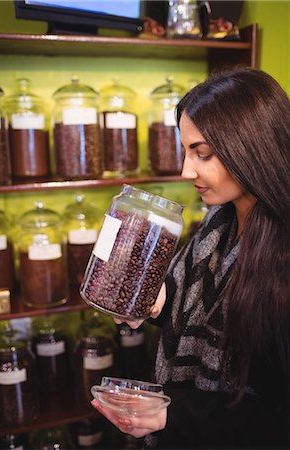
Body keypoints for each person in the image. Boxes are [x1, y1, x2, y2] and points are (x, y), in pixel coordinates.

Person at [91, 67, 290, 449]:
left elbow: (276, 421)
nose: (186, 171)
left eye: (203, 154)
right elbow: (194, 307)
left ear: (252, 147)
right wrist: (154, 303)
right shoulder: (218, 222)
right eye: (186, 151)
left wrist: (170, 416)